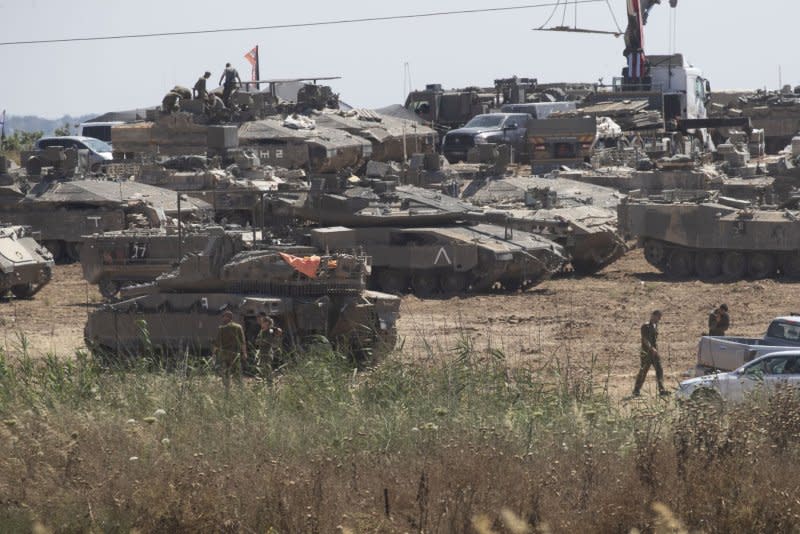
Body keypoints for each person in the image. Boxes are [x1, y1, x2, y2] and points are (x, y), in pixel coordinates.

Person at [632, 310, 668, 397]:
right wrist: (651, 348)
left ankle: (662, 390)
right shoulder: (645, 326)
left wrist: (655, 350)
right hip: (646, 352)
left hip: (654, 353)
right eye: (658, 317)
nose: (659, 319)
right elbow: (645, 339)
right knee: (643, 371)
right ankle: (636, 390)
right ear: (653, 316)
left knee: (659, 370)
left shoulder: (655, 325)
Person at [213, 309, 247, 387]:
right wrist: (244, 353)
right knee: (237, 372)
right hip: (235, 354)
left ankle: (227, 389)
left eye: (223, 317)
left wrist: (214, 353)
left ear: (226, 317)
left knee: (225, 372)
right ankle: (240, 388)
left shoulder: (221, 328)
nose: (222, 319)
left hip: (224, 354)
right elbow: (242, 342)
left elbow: (217, 344)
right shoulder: (238, 327)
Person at [253, 312, 283, 380]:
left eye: (263, 322)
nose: (261, 323)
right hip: (262, 352)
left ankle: (270, 379)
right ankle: (265, 377)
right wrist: (260, 341)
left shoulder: (270, 331)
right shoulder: (262, 331)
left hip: (268, 352)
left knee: (267, 366)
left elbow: (268, 340)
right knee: (262, 366)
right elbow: (257, 341)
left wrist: (262, 341)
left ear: (266, 323)